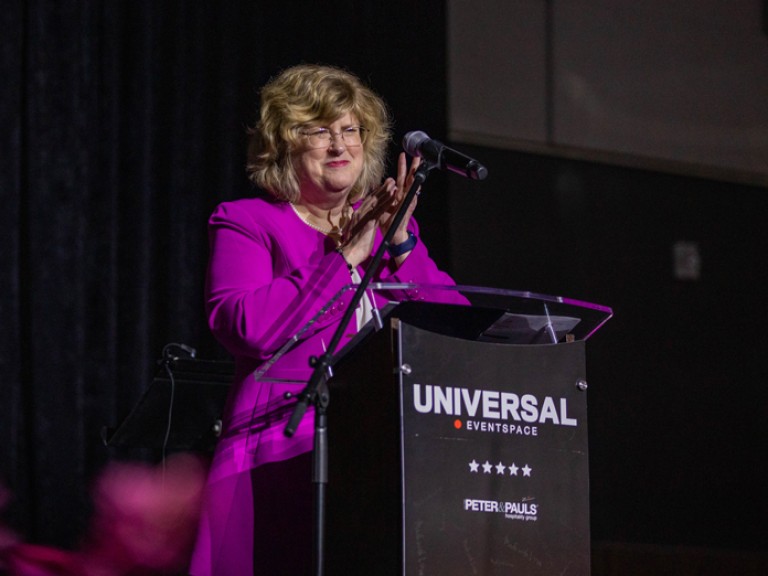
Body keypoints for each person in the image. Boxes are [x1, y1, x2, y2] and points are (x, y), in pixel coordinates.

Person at [188, 64, 463, 576]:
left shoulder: (389, 233)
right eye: (318, 130)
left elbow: (452, 333)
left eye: (350, 130)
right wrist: (343, 259)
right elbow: (246, 325)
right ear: (284, 144)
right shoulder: (247, 221)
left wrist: (401, 243)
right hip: (274, 457)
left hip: (374, 467)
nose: (339, 144)